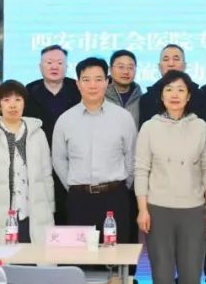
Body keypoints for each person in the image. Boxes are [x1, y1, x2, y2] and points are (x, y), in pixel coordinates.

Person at [135, 70, 206, 284]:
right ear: (161, 95)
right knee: (162, 274)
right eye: (169, 90)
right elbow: (141, 169)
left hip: (193, 208)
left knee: (192, 275)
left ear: (189, 95)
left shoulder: (201, 127)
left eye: (180, 90)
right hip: (158, 208)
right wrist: (142, 209)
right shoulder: (149, 127)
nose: (175, 95)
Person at [53, 57, 137, 249]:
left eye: (98, 79)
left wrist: (122, 185)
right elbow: (58, 159)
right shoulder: (65, 120)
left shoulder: (123, 117)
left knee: (115, 256)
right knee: (81, 256)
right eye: (86, 79)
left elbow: (132, 156)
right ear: (78, 84)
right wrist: (74, 186)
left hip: (115, 197)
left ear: (107, 82)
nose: (93, 85)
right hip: (79, 199)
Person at [0, 80, 55, 244]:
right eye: (7, 100)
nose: (13, 105)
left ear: (24, 103)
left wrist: (49, 211)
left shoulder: (37, 134)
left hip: (33, 216)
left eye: (18, 100)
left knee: (34, 256)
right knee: (1, 257)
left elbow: (46, 176)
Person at [25, 45, 81, 224]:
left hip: (73, 163)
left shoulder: (78, 90)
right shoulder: (28, 92)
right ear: (40, 66)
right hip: (40, 163)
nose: (54, 66)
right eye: (49, 62)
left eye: (59, 63)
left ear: (67, 66)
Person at [138, 44, 189, 127]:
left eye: (176, 59)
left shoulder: (200, 96)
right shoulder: (146, 99)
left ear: (185, 65)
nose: (171, 64)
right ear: (159, 66)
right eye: (166, 59)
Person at [105, 49, 143, 128]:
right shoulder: (99, 96)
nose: (126, 71)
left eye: (130, 67)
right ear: (110, 69)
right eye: (121, 67)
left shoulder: (142, 99)